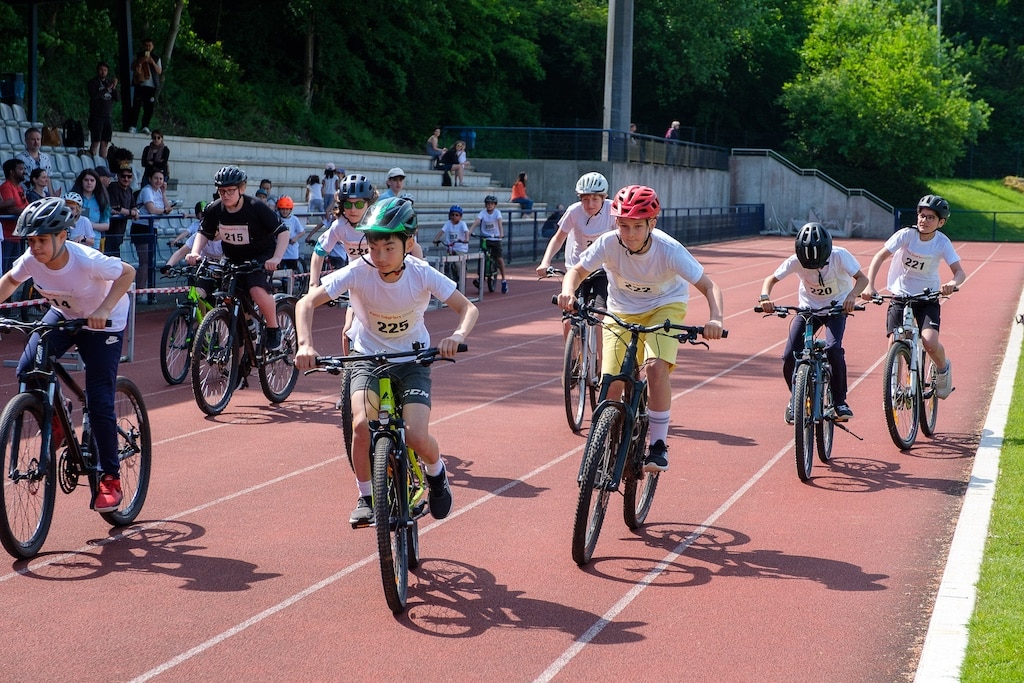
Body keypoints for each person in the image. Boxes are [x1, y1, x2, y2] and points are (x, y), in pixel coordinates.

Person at [294, 197, 479, 527]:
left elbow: (468, 309)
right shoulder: (359, 271)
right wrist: (305, 344)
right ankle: (365, 495)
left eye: (388, 247)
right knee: (361, 425)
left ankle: (436, 475)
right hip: (367, 358)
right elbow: (306, 304)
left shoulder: (421, 273)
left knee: (417, 435)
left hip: (412, 360)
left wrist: (457, 336)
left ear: (409, 242)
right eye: (373, 247)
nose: (379, 256)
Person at [556, 185, 725, 472]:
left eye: (637, 226)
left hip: (665, 307)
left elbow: (709, 286)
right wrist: (567, 292)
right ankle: (606, 442)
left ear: (652, 223)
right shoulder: (609, 243)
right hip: (622, 310)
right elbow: (576, 271)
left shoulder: (669, 249)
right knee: (612, 383)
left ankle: (658, 445)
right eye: (623, 226)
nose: (630, 234)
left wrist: (716, 319)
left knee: (656, 367)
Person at [0, 197, 136, 512]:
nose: (35, 247)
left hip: (105, 321)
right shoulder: (32, 259)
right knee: (28, 367)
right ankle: (56, 419)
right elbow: (9, 280)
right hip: (64, 314)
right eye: (31, 240)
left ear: (63, 236)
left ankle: (110, 479)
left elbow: (126, 272)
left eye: (42, 240)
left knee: (100, 399)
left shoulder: (87, 260)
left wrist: (104, 308)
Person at [759, 222, 868, 422]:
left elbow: (862, 279)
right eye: (810, 265)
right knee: (789, 355)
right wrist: (765, 298)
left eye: (820, 263)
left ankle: (839, 401)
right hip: (809, 309)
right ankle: (796, 398)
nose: (816, 267)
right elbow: (770, 280)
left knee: (833, 349)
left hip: (837, 309)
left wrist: (852, 296)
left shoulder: (840, 255)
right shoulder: (795, 260)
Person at [860, 194, 966, 399]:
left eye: (930, 218)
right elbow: (879, 257)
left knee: (929, 342)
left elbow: (959, 272)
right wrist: (870, 286)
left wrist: (952, 284)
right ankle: (894, 388)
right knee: (894, 342)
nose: (923, 220)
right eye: (921, 215)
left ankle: (943, 369)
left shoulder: (942, 243)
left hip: (927, 298)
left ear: (941, 222)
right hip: (901, 295)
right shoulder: (906, 235)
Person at [186, 165, 289, 351]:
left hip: (260, 257)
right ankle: (245, 331)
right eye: (221, 191)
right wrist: (195, 252)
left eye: (230, 191)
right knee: (227, 296)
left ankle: (273, 328)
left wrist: (276, 258)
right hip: (233, 258)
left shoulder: (256, 207)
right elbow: (204, 233)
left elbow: (282, 232)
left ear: (242, 188)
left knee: (256, 289)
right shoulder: (214, 209)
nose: (225, 195)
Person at [536, 172, 614, 336]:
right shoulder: (574, 212)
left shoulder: (612, 211)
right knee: (569, 319)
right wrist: (545, 262)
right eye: (585, 199)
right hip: (577, 268)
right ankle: (571, 360)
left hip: (602, 269)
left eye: (595, 199)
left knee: (600, 316)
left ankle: (601, 362)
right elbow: (558, 239)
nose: (590, 204)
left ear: (604, 197)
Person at [309, 174, 376, 287]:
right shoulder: (340, 226)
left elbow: (411, 247)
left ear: (368, 204)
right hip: (356, 280)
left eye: (359, 204)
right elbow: (319, 251)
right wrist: (313, 284)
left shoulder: (378, 224)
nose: (353, 210)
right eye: (348, 204)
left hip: (380, 279)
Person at [135, 169, 173, 291]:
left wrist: (164, 193)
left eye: (161, 179)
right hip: (142, 227)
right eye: (156, 178)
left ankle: (146, 291)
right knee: (144, 262)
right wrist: (164, 211)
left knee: (149, 262)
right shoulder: (147, 190)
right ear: (150, 179)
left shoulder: (159, 192)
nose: (158, 181)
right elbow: (152, 209)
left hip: (153, 227)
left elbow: (167, 207)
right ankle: (140, 291)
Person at [469, 195, 508, 293]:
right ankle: (480, 277)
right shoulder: (483, 213)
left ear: (495, 205)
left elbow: (499, 223)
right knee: (481, 256)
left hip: (495, 239)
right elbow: (477, 221)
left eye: (492, 204)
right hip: (485, 239)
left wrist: (501, 234)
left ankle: (504, 280)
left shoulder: (497, 213)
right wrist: (470, 230)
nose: (490, 206)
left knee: (499, 258)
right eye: (488, 204)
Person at [0, 158, 29, 272]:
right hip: (7, 236)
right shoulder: (6, 187)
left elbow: (25, 206)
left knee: (15, 270)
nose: (24, 172)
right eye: (21, 169)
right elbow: (11, 210)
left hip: (18, 235)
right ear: (12, 172)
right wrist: (28, 212)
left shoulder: (19, 188)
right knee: (6, 269)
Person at [128, 38, 162, 134]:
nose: (147, 47)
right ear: (143, 46)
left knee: (149, 107)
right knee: (136, 106)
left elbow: (159, 71)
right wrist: (141, 61)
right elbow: (132, 67)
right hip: (140, 84)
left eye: (149, 45)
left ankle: (145, 126)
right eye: (146, 45)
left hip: (151, 86)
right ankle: (133, 125)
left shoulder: (156, 58)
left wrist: (152, 63)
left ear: (152, 47)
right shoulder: (139, 55)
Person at [86, 61, 119, 158]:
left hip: (107, 117)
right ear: (97, 70)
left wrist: (114, 87)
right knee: (96, 141)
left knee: (105, 143)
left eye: (105, 70)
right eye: (101, 70)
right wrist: (106, 88)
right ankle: (92, 160)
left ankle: (102, 163)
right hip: (96, 116)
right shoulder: (93, 83)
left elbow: (117, 98)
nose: (103, 72)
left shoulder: (109, 83)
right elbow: (94, 95)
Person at [105, 166, 139, 257]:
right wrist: (132, 213)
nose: (126, 179)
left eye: (129, 176)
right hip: (109, 230)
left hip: (120, 231)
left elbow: (133, 206)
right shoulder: (113, 187)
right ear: (118, 176)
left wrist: (135, 211)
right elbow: (116, 209)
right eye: (123, 176)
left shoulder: (129, 190)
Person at [433, 204, 470, 282]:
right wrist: (436, 239)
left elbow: (466, 231)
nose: (454, 217)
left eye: (457, 215)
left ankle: (462, 280)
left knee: (457, 263)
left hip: (460, 248)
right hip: (450, 247)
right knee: (445, 262)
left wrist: (466, 239)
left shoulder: (462, 224)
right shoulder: (448, 223)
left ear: (460, 216)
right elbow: (441, 231)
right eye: (452, 215)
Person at [15, 128, 58, 194]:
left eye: (38, 139)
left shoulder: (45, 158)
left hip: (44, 196)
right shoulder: (19, 159)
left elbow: (48, 178)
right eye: (33, 139)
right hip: (26, 195)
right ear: (26, 141)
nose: (36, 142)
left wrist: (52, 196)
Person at [71, 168, 111, 238]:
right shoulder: (72, 198)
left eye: (92, 180)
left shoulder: (102, 200)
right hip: (75, 241)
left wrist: (88, 224)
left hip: (95, 242)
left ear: (96, 182)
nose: (89, 183)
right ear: (81, 181)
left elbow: (106, 225)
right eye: (86, 180)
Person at [276, 196, 306, 273]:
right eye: (282, 209)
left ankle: (291, 284)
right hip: (280, 251)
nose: (284, 211)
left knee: (292, 271)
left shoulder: (294, 219)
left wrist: (295, 238)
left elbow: (302, 231)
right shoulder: (277, 219)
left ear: (290, 210)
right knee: (279, 271)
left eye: (287, 209)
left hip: (291, 251)